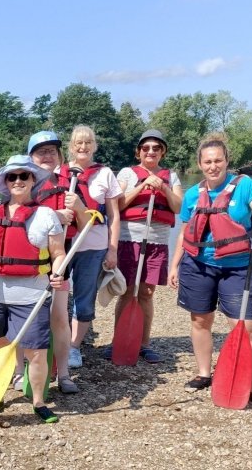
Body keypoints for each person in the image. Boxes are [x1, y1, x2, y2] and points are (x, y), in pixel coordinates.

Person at [168, 134, 252, 410]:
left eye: (218, 160)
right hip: (198, 266)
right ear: (199, 163)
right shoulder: (194, 194)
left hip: (237, 267)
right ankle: (204, 373)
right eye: (207, 161)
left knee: (245, 327)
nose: (213, 166)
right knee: (200, 321)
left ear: (227, 161)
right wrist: (174, 265)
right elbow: (185, 232)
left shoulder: (245, 187)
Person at [0, 155, 67, 423]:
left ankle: (38, 402)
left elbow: (58, 253)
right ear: (5, 182)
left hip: (31, 297)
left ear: (34, 180)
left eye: (24, 176)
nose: (19, 181)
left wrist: (59, 272)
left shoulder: (46, 216)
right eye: (13, 176)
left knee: (35, 351)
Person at [104, 129, 183, 363]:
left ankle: (144, 343)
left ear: (162, 152)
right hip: (129, 239)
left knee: (147, 293)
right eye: (146, 148)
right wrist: (142, 185)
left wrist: (163, 188)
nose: (151, 152)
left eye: (156, 148)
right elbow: (117, 205)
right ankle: (118, 339)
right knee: (128, 291)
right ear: (139, 152)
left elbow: (178, 207)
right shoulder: (127, 174)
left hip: (157, 240)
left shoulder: (172, 176)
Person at [63, 126, 122, 369]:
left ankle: (74, 347)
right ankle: (55, 341)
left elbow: (114, 216)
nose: (83, 147)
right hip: (64, 244)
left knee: (84, 298)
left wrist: (112, 249)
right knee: (55, 296)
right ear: (71, 146)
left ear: (94, 145)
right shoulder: (60, 172)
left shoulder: (105, 174)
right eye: (78, 142)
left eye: (88, 142)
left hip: (94, 246)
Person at [26, 131, 78, 394]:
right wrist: (54, 214)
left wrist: (76, 206)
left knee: (59, 317)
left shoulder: (69, 184)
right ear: (30, 156)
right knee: (25, 318)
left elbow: (88, 218)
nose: (47, 156)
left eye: (52, 151)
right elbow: (17, 213)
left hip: (60, 257)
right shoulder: (21, 180)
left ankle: (64, 373)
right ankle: (19, 372)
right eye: (40, 151)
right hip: (27, 262)